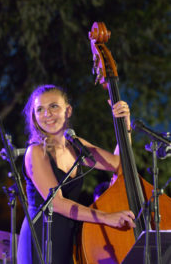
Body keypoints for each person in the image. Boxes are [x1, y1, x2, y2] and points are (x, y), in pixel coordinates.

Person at [17, 84, 136, 264]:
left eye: (53, 106)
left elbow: (119, 164)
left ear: (68, 110)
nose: (47, 114)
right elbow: (57, 203)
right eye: (40, 109)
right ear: (34, 117)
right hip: (40, 237)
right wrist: (106, 217)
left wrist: (125, 126)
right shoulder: (35, 152)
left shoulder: (76, 145)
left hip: (67, 238)